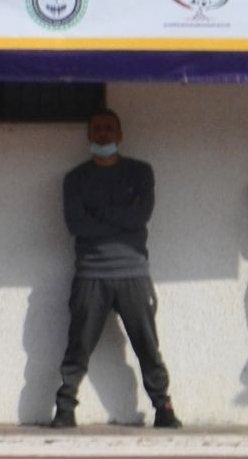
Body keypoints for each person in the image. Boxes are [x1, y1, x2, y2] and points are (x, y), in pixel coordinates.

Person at [49, 109, 179, 429]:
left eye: (109, 129)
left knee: (147, 345)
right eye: (97, 129)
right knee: (78, 345)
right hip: (90, 274)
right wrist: (121, 214)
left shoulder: (140, 172)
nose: (103, 134)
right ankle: (65, 407)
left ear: (120, 134)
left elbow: (140, 217)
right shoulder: (75, 178)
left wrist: (98, 213)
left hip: (133, 273)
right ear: (88, 136)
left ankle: (163, 407)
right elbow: (77, 225)